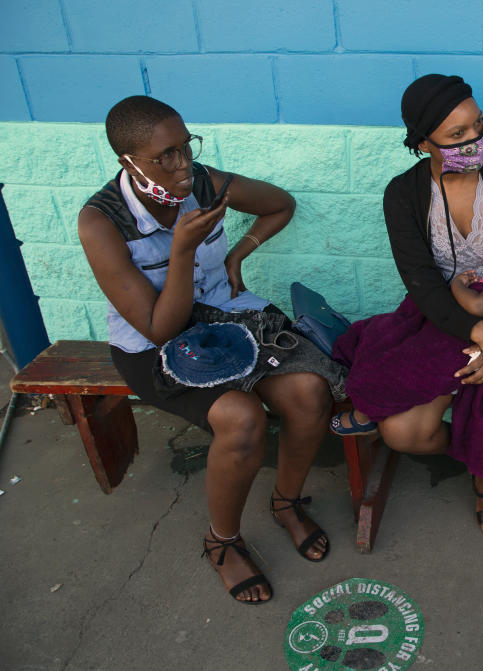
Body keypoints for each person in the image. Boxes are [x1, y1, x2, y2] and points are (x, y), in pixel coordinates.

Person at [78, 96, 347, 605]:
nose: (183, 166)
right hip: (155, 344)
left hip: (231, 315)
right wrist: (181, 250)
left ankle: (286, 502)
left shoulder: (203, 181)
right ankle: (221, 541)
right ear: (128, 162)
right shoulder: (101, 222)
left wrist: (240, 253)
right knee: (242, 419)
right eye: (166, 156)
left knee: (311, 392)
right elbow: (161, 328)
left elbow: (279, 203)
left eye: (186, 147)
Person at [331, 74, 483, 533]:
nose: (474, 139)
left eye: (478, 125)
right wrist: (482, 336)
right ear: (422, 143)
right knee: (403, 434)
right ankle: (482, 458)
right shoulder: (403, 195)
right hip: (442, 320)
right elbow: (422, 285)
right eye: (457, 135)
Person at [332, 217, 483, 526]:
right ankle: (478, 456)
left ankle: (367, 411)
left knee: (413, 364)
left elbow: (477, 308)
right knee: (406, 348)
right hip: (478, 338)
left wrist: (457, 285)